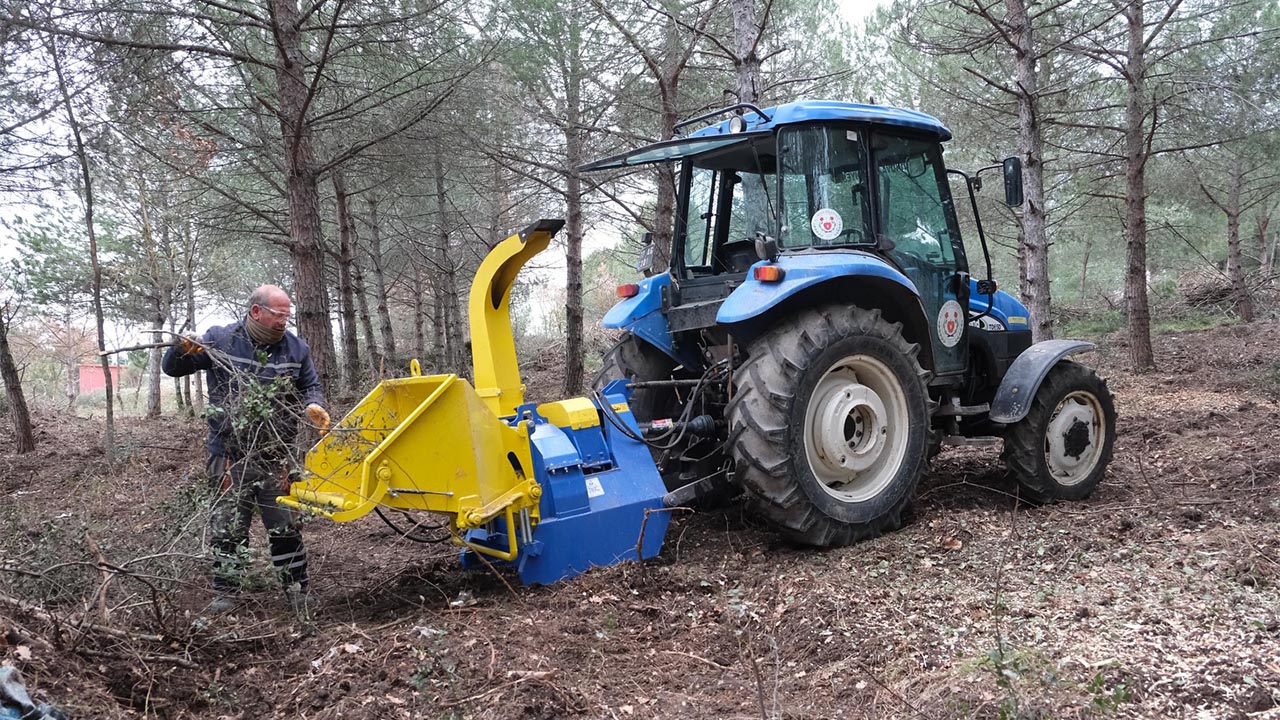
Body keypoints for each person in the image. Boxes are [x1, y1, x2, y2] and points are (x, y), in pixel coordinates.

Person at [162, 284, 329, 617]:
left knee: (285, 526)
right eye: (279, 315)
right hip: (229, 453)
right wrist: (179, 348)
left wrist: (313, 404)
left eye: (287, 315)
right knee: (228, 526)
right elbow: (173, 368)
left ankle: (297, 591)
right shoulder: (220, 340)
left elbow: (311, 385)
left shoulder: (296, 349)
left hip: (275, 456)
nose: (285, 321)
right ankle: (225, 593)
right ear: (256, 312)